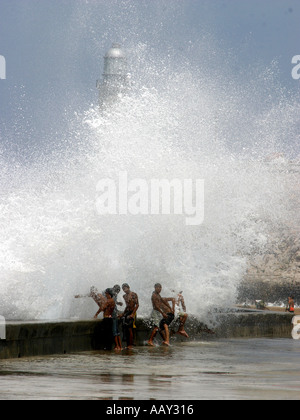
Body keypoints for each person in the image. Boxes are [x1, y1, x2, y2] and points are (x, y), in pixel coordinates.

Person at [120, 283, 139, 349]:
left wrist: (133, 314)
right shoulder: (124, 296)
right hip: (127, 312)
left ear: (129, 287)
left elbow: (137, 305)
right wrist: (123, 313)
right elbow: (127, 306)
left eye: (125, 288)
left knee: (130, 329)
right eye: (123, 289)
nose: (124, 290)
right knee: (126, 329)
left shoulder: (133, 294)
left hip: (132, 312)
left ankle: (130, 344)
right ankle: (128, 344)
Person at [112, 285, 123, 351]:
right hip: (115, 314)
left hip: (114, 315)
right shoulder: (113, 294)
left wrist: (118, 303)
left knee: (115, 331)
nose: (117, 293)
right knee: (117, 331)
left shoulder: (113, 294)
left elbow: (112, 303)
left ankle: (117, 346)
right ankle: (120, 346)